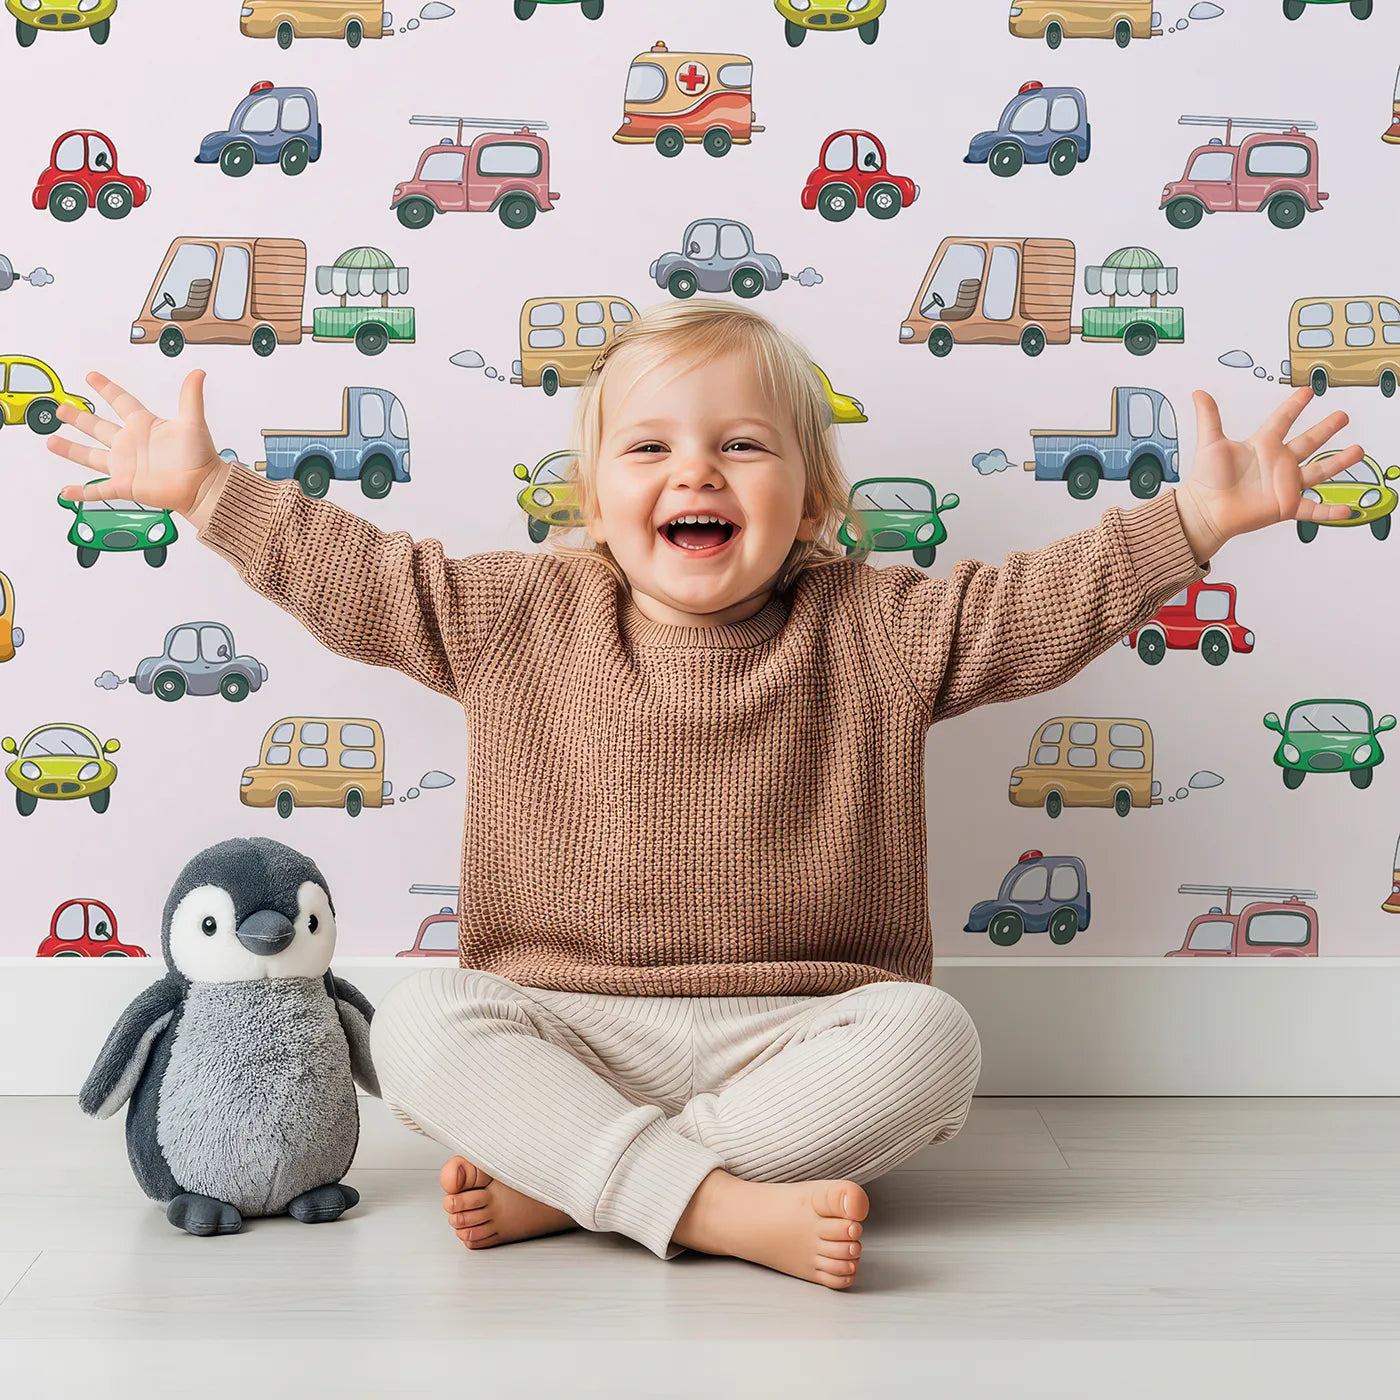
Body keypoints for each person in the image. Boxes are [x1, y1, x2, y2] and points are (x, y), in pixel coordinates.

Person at [46, 300, 1361, 1290]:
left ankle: (586, 1186)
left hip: (800, 1034)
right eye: (652, 448)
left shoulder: (881, 626)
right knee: (423, 1024)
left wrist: (1185, 524)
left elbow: (1033, 609)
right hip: (563, 1024)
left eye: (743, 445)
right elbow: (358, 574)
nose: (697, 474)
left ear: (812, 501)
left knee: (935, 1041)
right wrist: (210, 493)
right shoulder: (517, 614)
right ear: (594, 498)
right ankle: (722, 1207)